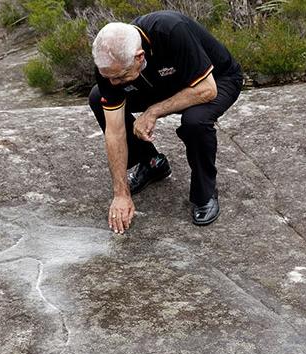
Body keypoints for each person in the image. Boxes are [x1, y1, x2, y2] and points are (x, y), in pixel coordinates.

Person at [89, 10, 243, 234]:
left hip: (216, 80)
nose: (113, 82)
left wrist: (153, 112)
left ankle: (205, 192)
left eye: (119, 77)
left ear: (139, 56)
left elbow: (207, 90)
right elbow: (114, 131)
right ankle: (151, 163)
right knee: (97, 98)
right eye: (108, 77)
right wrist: (120, 193)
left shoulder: (170, 30)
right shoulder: (109, 63)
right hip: (162, 82)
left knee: (195, 121)